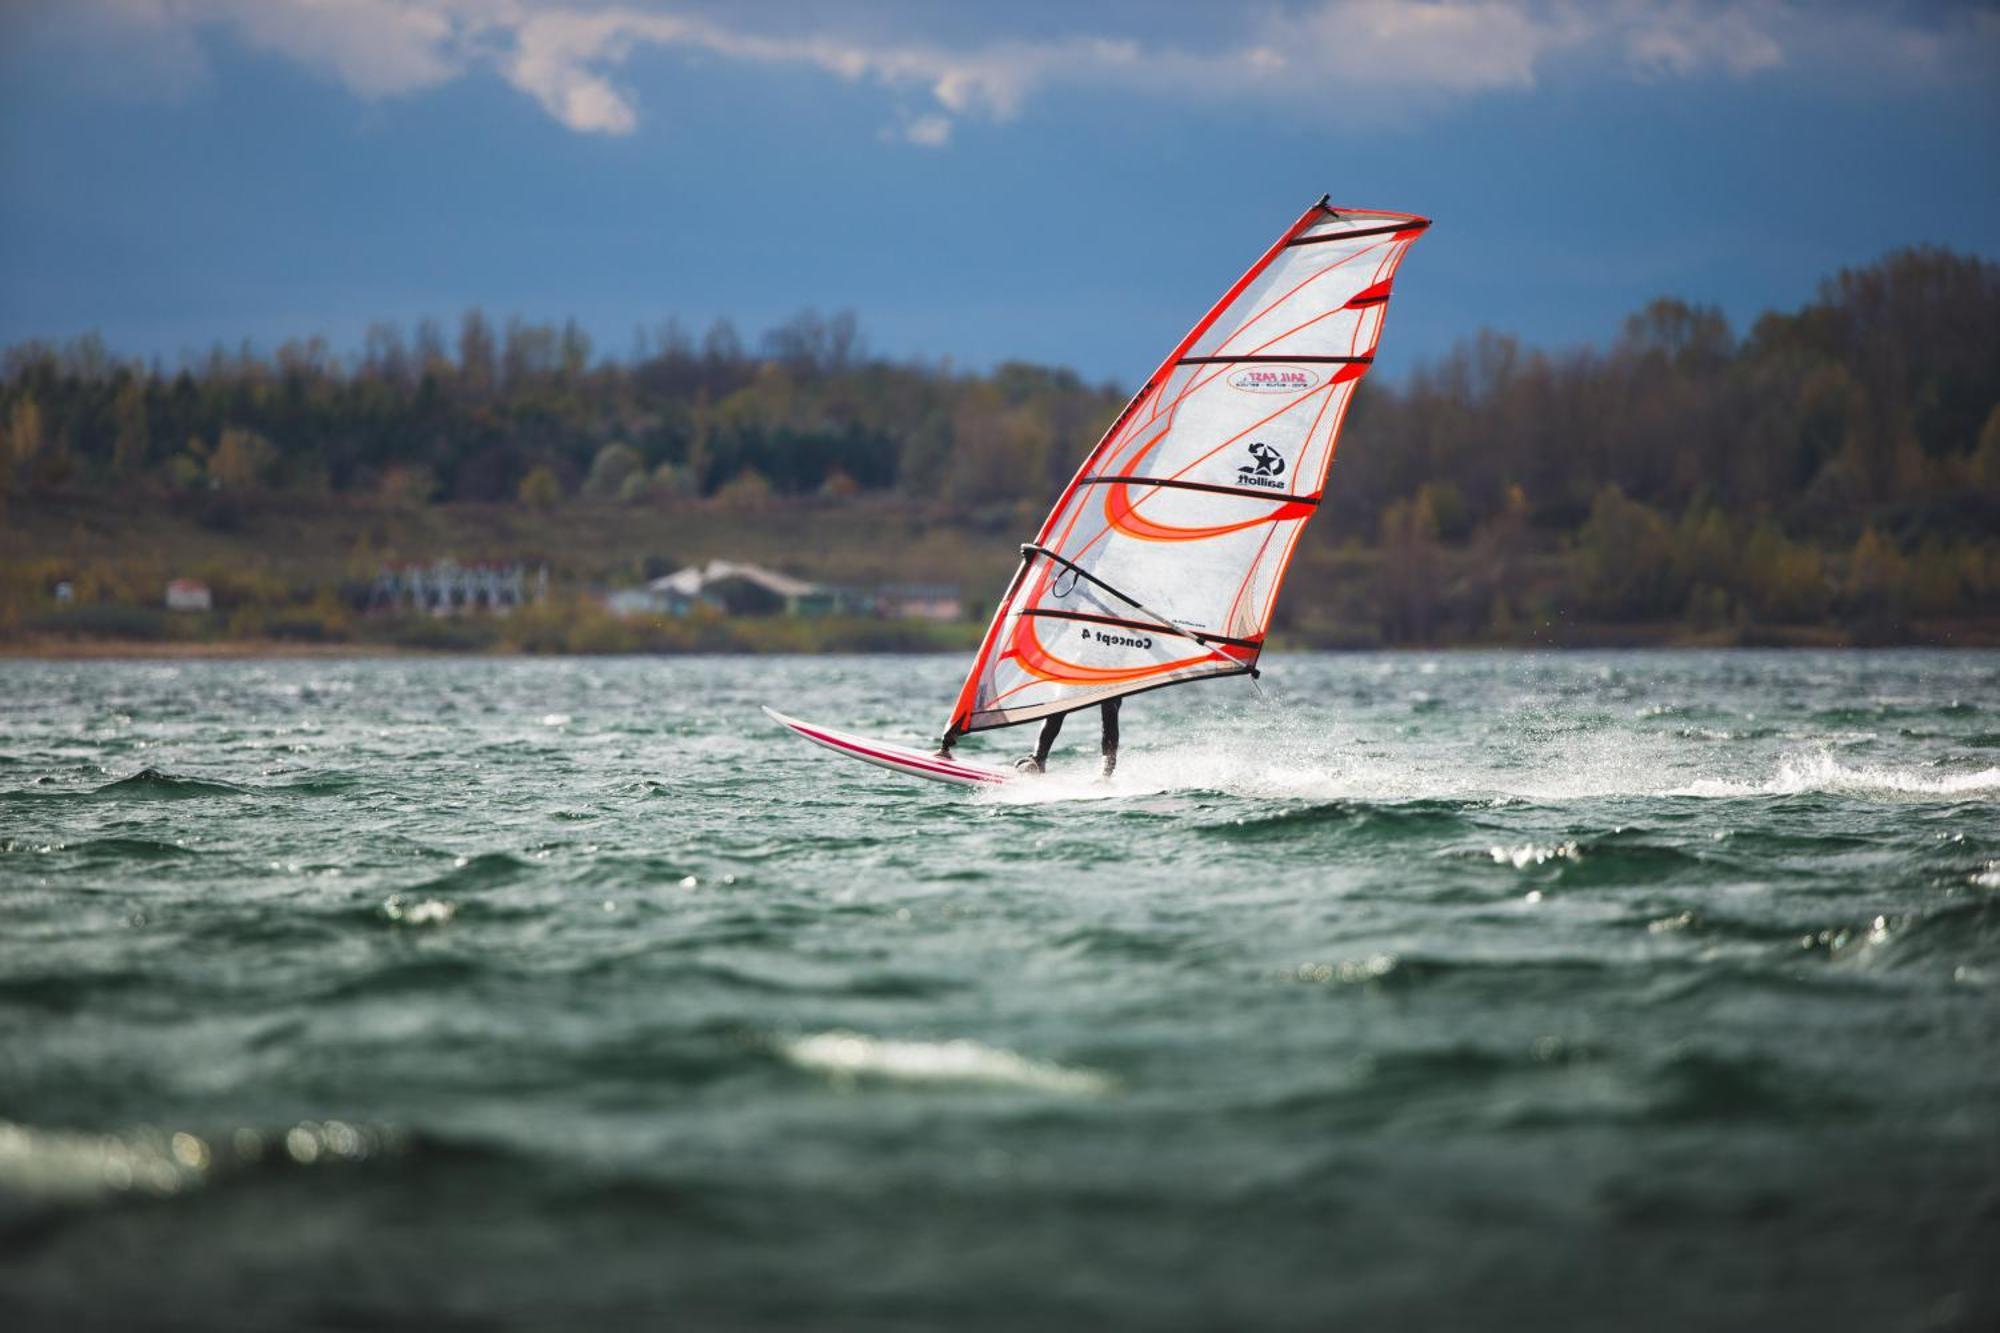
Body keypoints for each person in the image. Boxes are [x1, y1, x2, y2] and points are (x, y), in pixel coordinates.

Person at [1013, 697, 1121, 778]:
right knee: (1059, 704)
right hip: (1080, 668)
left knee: (1110, 707)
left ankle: (1107, 769)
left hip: (1111, 669)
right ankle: (1038, 759)